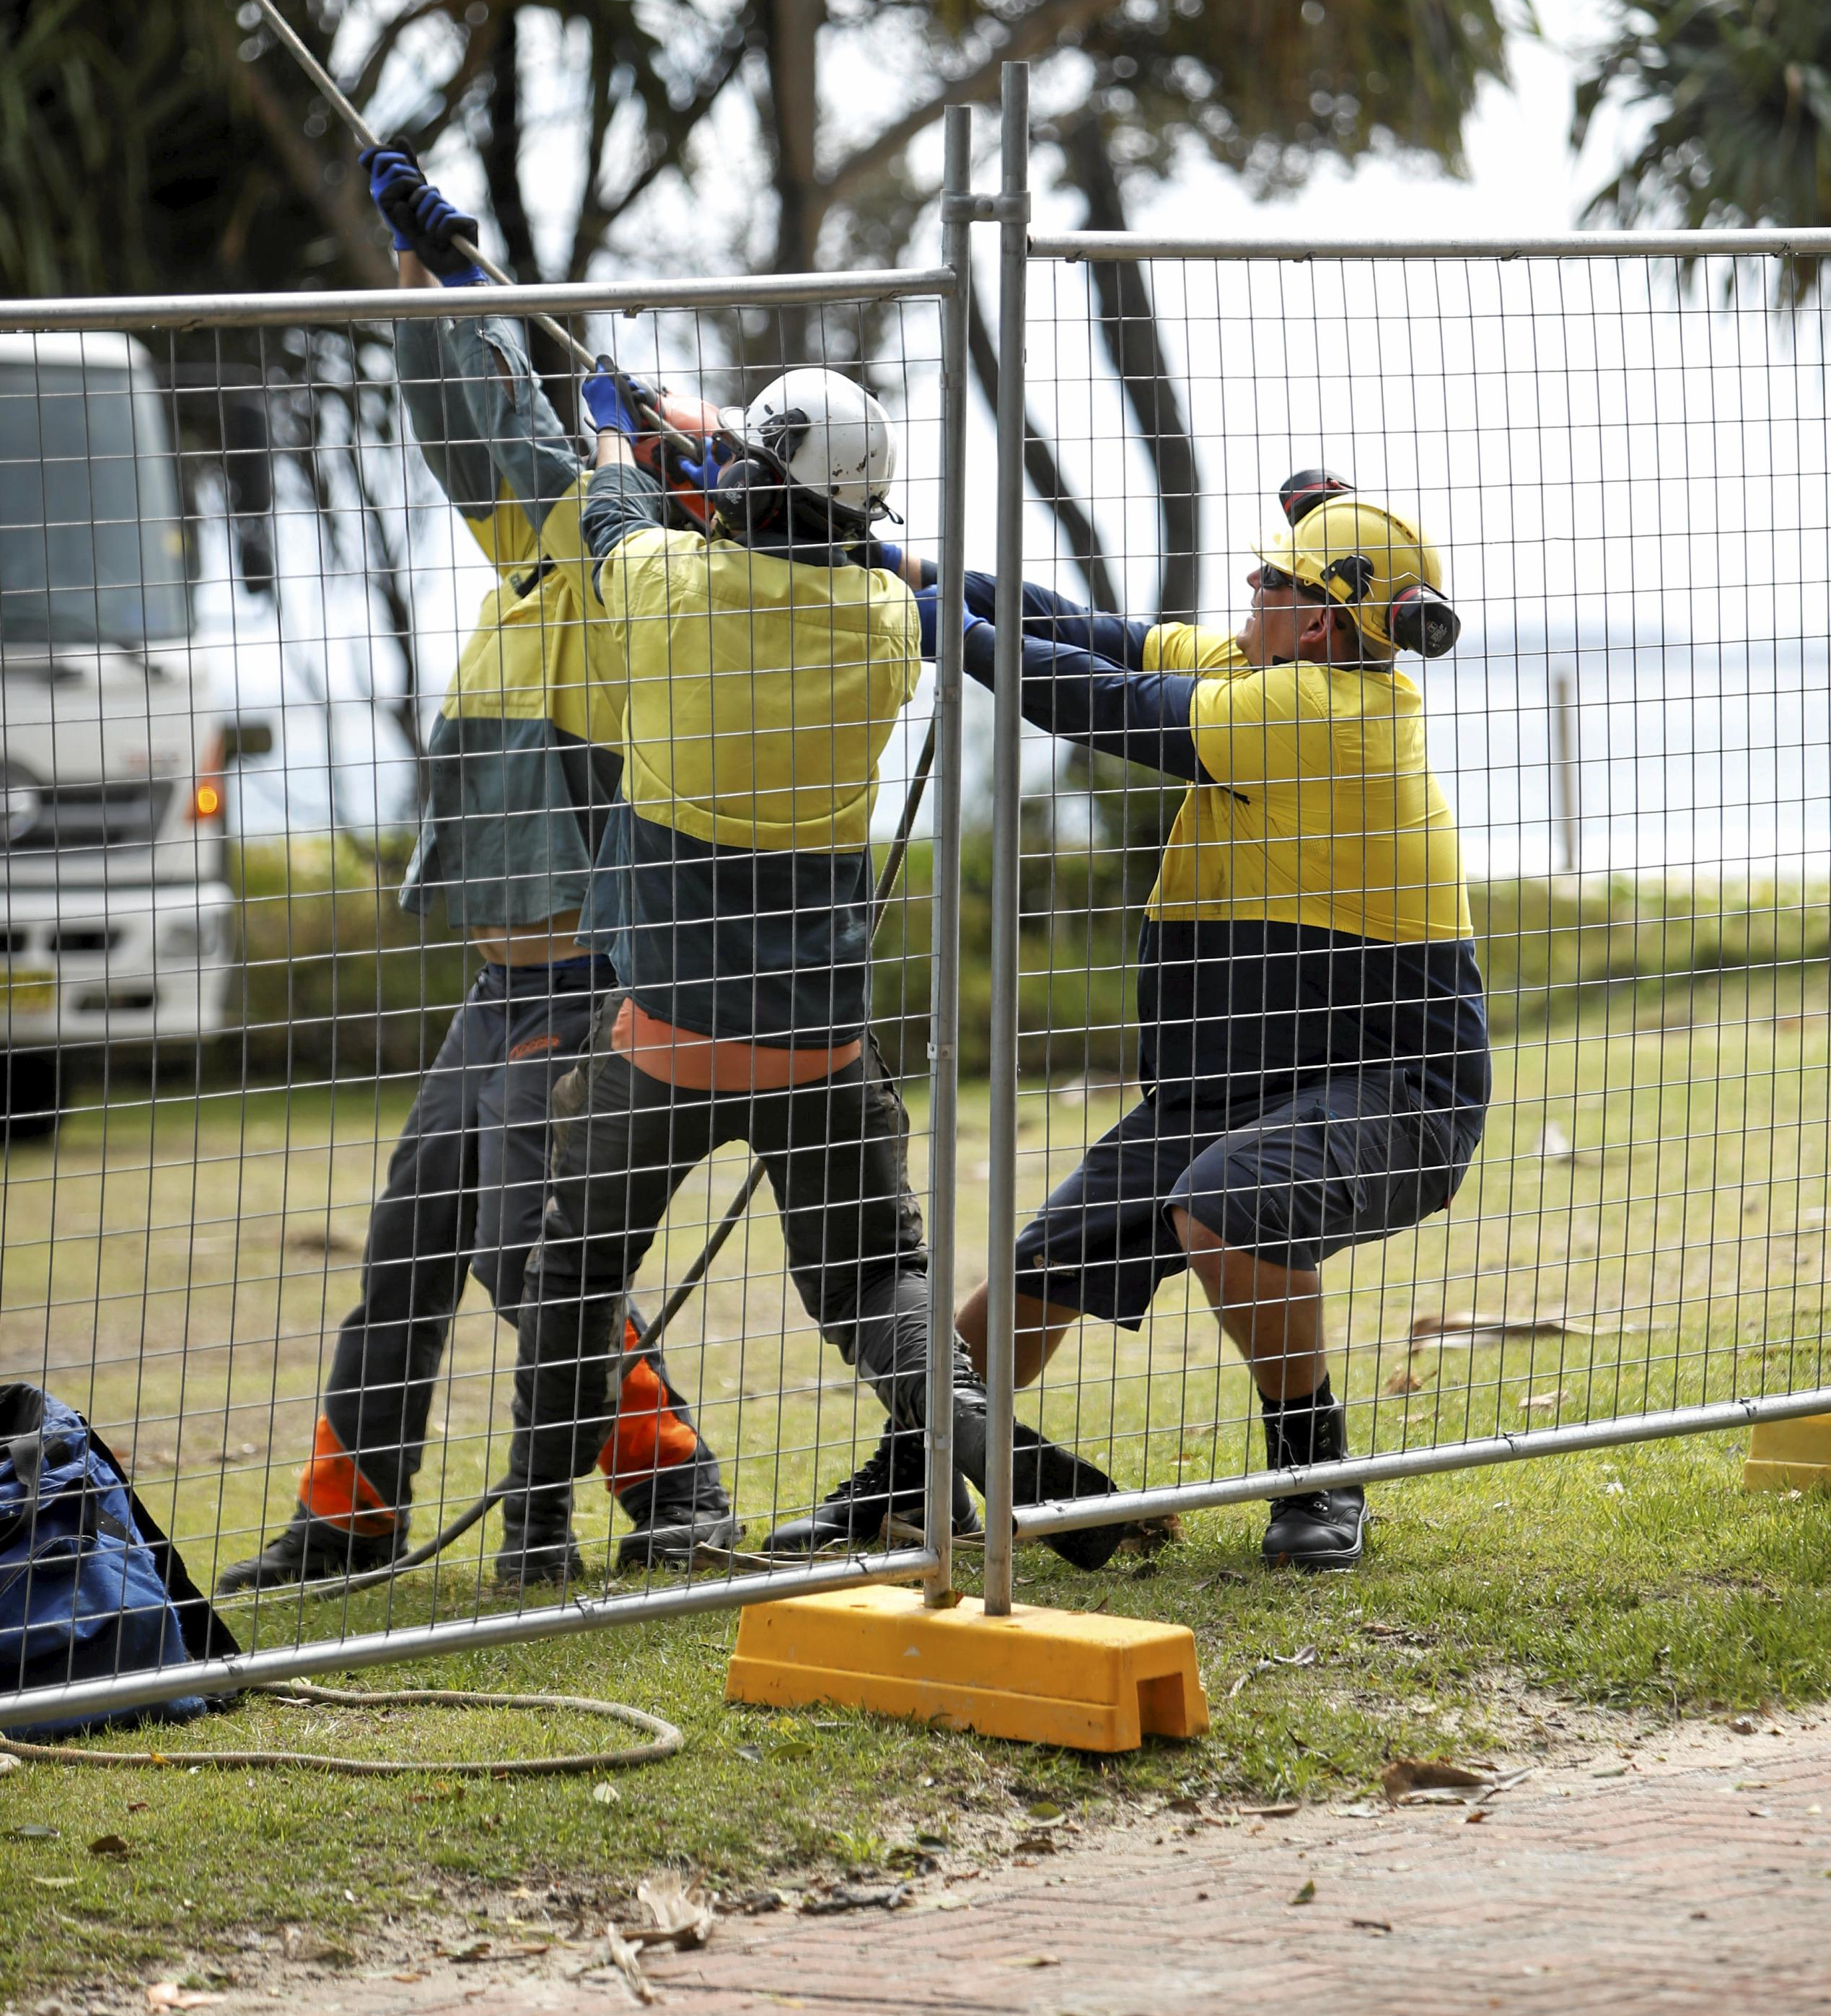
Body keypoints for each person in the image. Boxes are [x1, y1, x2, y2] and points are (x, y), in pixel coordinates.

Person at [500, 338, 1128, 1574]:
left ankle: (534, 1545)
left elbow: (616, 507)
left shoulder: (669, 586)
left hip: (660, 1044)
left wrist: (623, 427)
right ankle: (962, 1421)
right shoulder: (885, 622)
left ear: (742, 490)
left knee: (572, 1281)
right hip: (816, 1045)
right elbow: (825, 539)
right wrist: (705, 434)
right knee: (870, 1282)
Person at [219, 149, 736, 1596]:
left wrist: (476, 289)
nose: (612, 443)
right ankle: (353, 1509)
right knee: (412, 1245)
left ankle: (673, 1479)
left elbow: (511, 430)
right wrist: (433, 279)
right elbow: (472, 423)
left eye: (650, 443)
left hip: (577, 974)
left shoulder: (659, 593)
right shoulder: (559, 556)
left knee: (527, 1253)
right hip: (498, 976)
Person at [855, 474, 1489, 1574]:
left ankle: (1313, 1473)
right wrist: (915, 575)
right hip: (1235, 1082)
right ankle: (900, 1485)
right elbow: (1085, 632)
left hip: (1394, 1083)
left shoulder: (1316, 713)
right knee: (1037, 1269)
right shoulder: (1268, 674)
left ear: (1323, 622)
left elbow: (1096, 700)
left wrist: (924, 625)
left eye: (1274, 579)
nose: (1249, 583)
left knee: (1227, 1202)